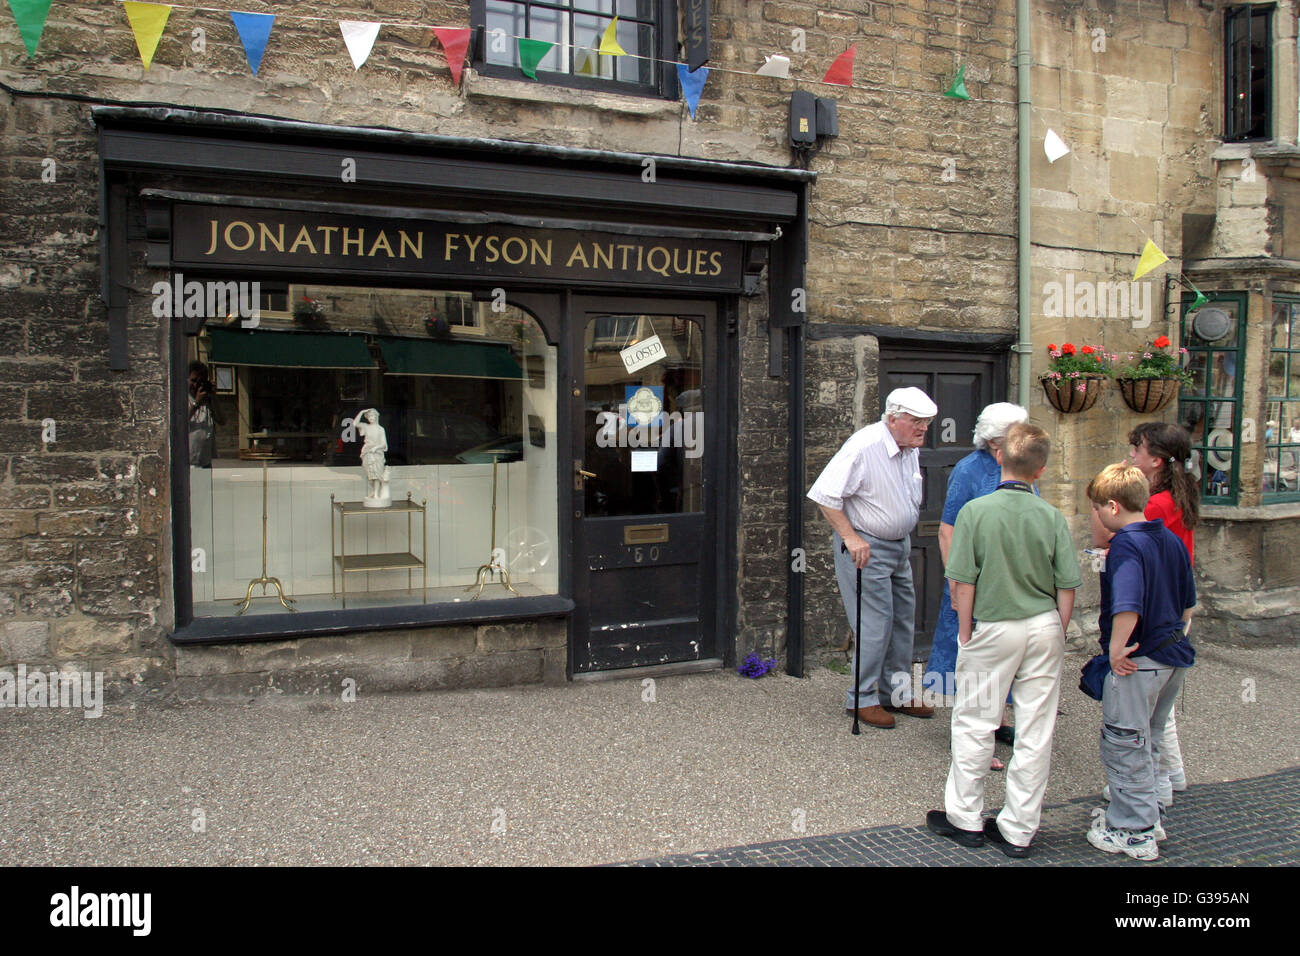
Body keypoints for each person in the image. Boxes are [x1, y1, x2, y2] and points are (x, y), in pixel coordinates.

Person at [924, 423, 1080, 857]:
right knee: (1036, 728)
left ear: (998, 459)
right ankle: (1018, 828)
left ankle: (965, 818)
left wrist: (967, 629)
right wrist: (1059, 632)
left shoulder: (977, 512)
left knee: (975, 720)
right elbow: (1067, 584)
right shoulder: (1050, 516)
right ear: (1042, 469)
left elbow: (962, 581)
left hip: (994, 625)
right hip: (1044, 624)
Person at [808, 386, 938, 729]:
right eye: (915, 421)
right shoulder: (864, 445)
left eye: (926, 422)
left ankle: (895, 693)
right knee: (874, 623)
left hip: (898, 546)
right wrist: (851, 538)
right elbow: (825, 495)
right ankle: (861, 699)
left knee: (902, 620)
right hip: (867, 548)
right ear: (893, 419)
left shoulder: (908, 447)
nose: (923, 428)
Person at [1084, 463, 1196, 861]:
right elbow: (1188, 604)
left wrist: (1116, 651)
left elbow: (1127, 604)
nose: (1095, 517)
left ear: (1113, 506)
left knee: (1124, 743)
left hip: (1138, 661)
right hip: (1172, 657)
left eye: (1096, 509)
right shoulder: (1169, 539)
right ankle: (1147, 815)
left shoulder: (1127, 546)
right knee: (1148, 738)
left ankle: (1134, 831)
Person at [925, 402, 1030, 770]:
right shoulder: (969, 471)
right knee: (973, 660)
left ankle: (997, 720)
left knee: (1005, 656)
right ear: (996, 440)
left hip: (1012, 581)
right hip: (976, 581)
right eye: (1018, 433)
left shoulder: (1019, 466)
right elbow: (947, 530)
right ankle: (970, 739)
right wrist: (956, 586)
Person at [187, 361, 218, 467]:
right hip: (188, 462)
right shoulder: (181, 398)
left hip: (205, 461)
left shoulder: (207, 399)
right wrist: (196, 403)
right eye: (193, 381)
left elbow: (222, 420)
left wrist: (214, 398)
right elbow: (179, 423)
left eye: (199, 382)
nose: (195, 385)